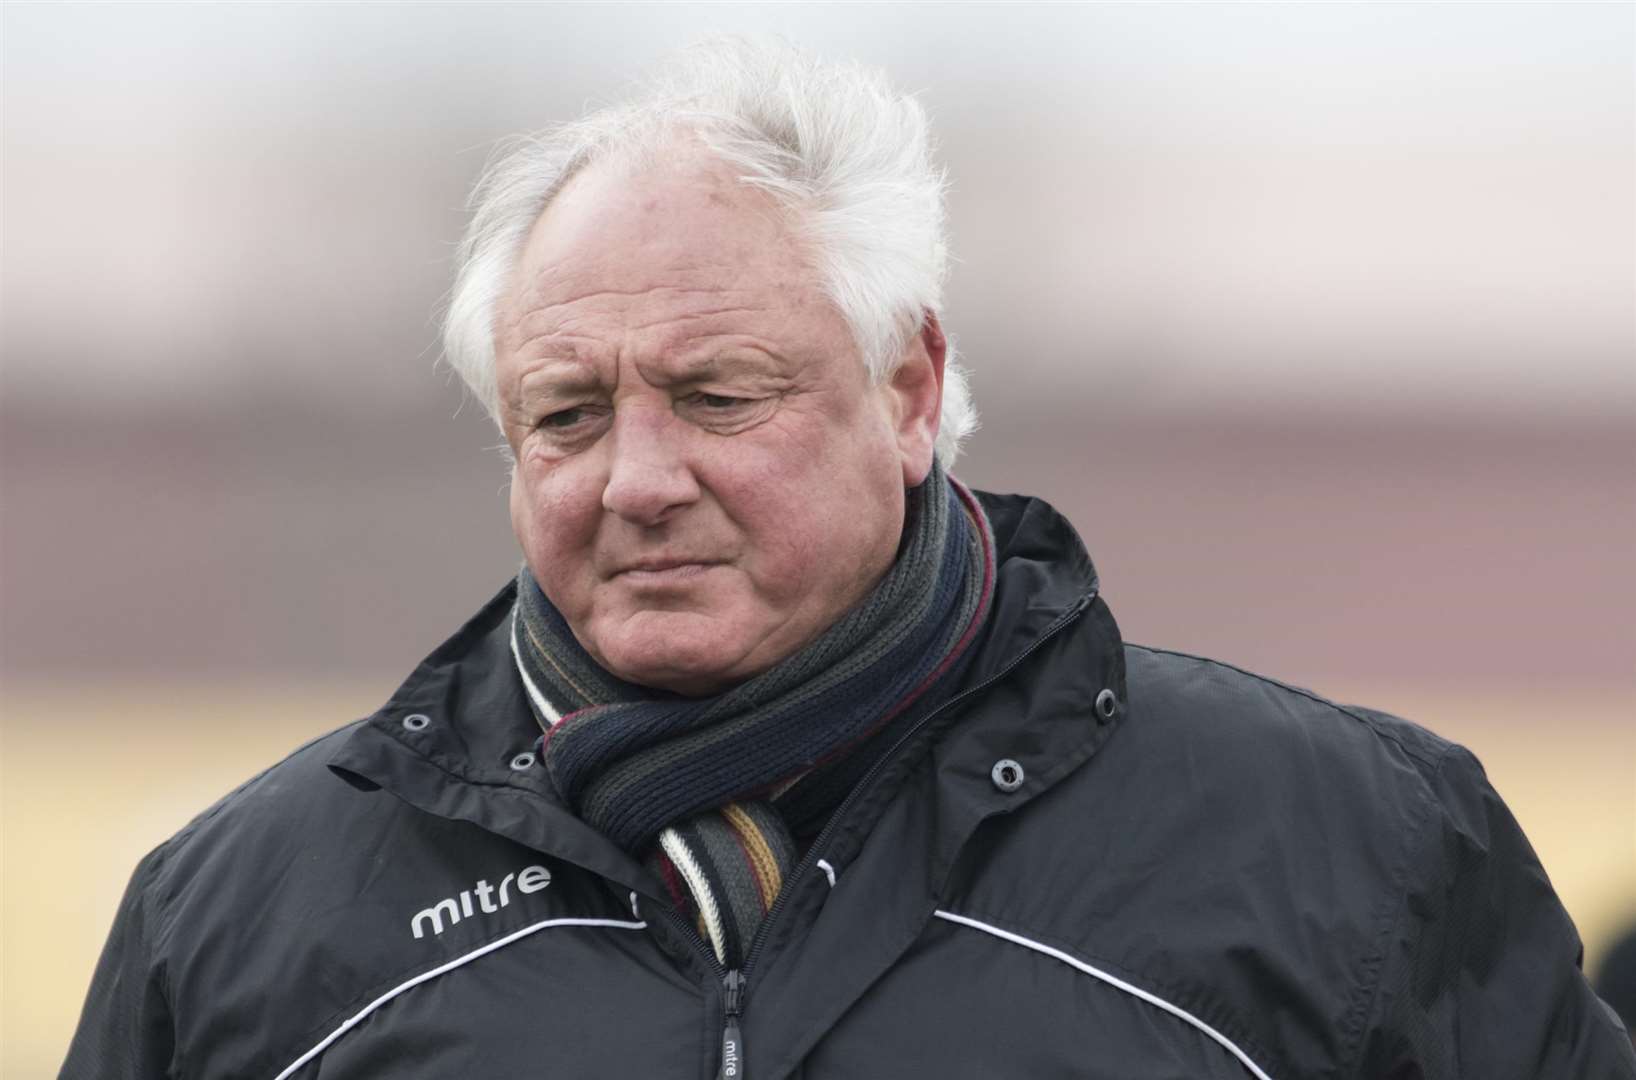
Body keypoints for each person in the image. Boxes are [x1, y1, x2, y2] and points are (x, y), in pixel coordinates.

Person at [62, 38, 1635, 1080]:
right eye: (565, 414)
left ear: (909, 388)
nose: (639, 480)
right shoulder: (239, 921)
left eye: (717, 397)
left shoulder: (1347, 843)